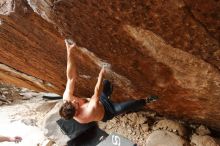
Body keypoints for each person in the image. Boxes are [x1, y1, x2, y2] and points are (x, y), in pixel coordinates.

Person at [59, 40, 158, 123]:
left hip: (101, 99)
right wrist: (100, 76)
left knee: (108, 82)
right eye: (74, 103)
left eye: (71, 101)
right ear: (76, 112)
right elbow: (96, 93)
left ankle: (108, 92)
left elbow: (71, 77)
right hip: (108, 111)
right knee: (130, 105)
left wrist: (69, 53)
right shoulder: (86, 114)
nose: (74, 100)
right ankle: (147, 100)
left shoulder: (67, 98)